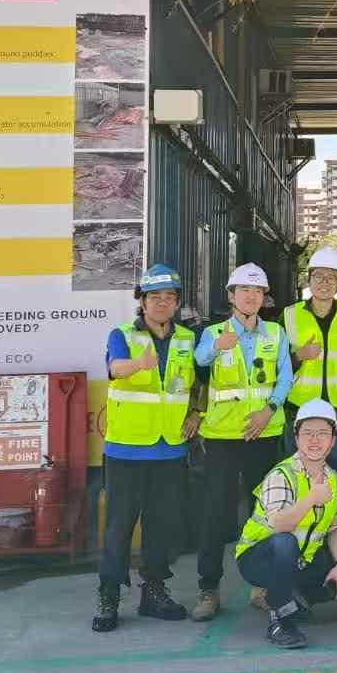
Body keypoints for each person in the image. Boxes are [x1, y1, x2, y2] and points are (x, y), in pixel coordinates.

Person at [189, 263, 294, 622]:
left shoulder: (276, 333)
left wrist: (269, 410)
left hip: (262, 435)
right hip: (221, 437)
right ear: (231, 296)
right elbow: (198, 360)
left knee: (264, 513)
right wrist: (216, 347)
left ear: (264, 298)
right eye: (243, 291)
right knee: (214, 515)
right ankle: (208, 589)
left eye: (257, 292)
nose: (251, 297)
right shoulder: (213, 332)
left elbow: (285, 379)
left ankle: (262, 588)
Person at [95, 264, 196, 632]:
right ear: (142, 302)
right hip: (127, 449)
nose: (162, 303)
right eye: (155, 297)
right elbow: (115, 367)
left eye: (169, 297)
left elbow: (198, 383)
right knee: (119, 527)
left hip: (170, 449)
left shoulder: (187, 338)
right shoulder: (122, 334)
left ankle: (154, 591)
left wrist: (197, 413)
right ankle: (109, 596)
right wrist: (140, 363)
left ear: (177, 302)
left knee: (161, 526)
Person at [233, 400, 337, 649]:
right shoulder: (281, 475)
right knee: (285, 543)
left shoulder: (335, 480)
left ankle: (294, 598)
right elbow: (279, 526)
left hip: (301, 561)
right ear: (296, 437)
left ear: (333, 439)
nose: (315, 440)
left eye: (322, 433)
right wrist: (310, 499)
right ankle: (279, 620)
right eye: (307, 433)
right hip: (260, 558)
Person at [283, 246, 337, 485]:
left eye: (331, 277)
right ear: (309, 280)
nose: (324, 282)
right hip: (300, 407)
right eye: (318, 276)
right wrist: (298, 356)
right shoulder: (289, 315)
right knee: (298, 472)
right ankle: (301, 519)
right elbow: (274, 366)